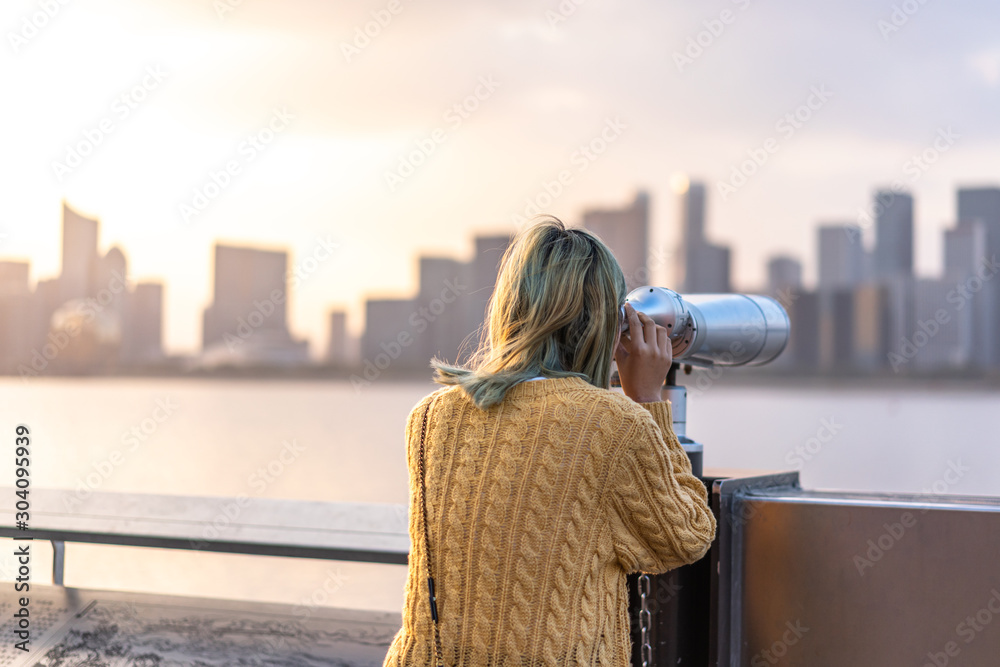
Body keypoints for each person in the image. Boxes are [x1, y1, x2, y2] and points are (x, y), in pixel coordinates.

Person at [383, 217, 717, 666]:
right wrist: (649, 399)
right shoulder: (616, 424)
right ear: (606, 322)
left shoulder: (428, 418)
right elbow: (686, 536)